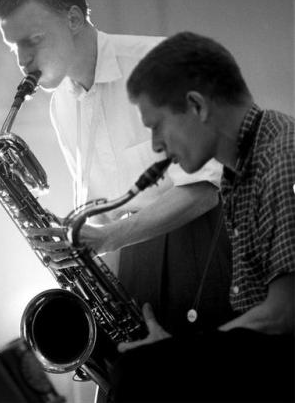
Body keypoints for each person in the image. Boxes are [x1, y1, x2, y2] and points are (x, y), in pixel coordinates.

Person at [0, 0, 233, 336]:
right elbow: (100, 216)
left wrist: (108, 238)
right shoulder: (62, 105)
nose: (22, 61)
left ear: (73, 19)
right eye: (13, 47)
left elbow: (204, 190)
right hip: (133, 258)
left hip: (202, 251)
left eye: (31, 40)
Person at [110, 31, 295, 402]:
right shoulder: (238, 171)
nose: (156, 146)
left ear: (196, 106)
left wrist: (175, 357)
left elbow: (283, 315)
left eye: (157, 125)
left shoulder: (281, 157)